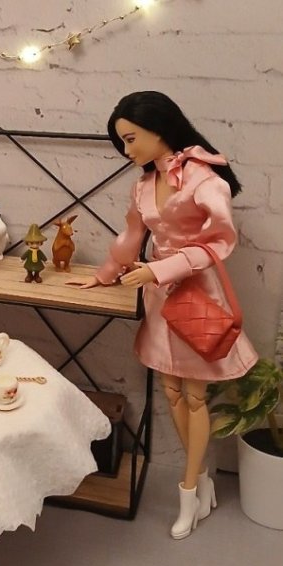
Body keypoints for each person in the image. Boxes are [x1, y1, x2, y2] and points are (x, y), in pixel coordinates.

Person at [67, 91, 258, 540]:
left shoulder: (203, 178)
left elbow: (220, 242)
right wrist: (105, 274)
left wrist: (160, 269)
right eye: (123, 142)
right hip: (160, 297)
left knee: (194, 396)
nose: (127, 150)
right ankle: (204, 480)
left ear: (160, 128)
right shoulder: (143, 185)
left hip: (196, 295)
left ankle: (188, 492)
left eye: (132, 139)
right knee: (172, 392)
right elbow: (131, 235)